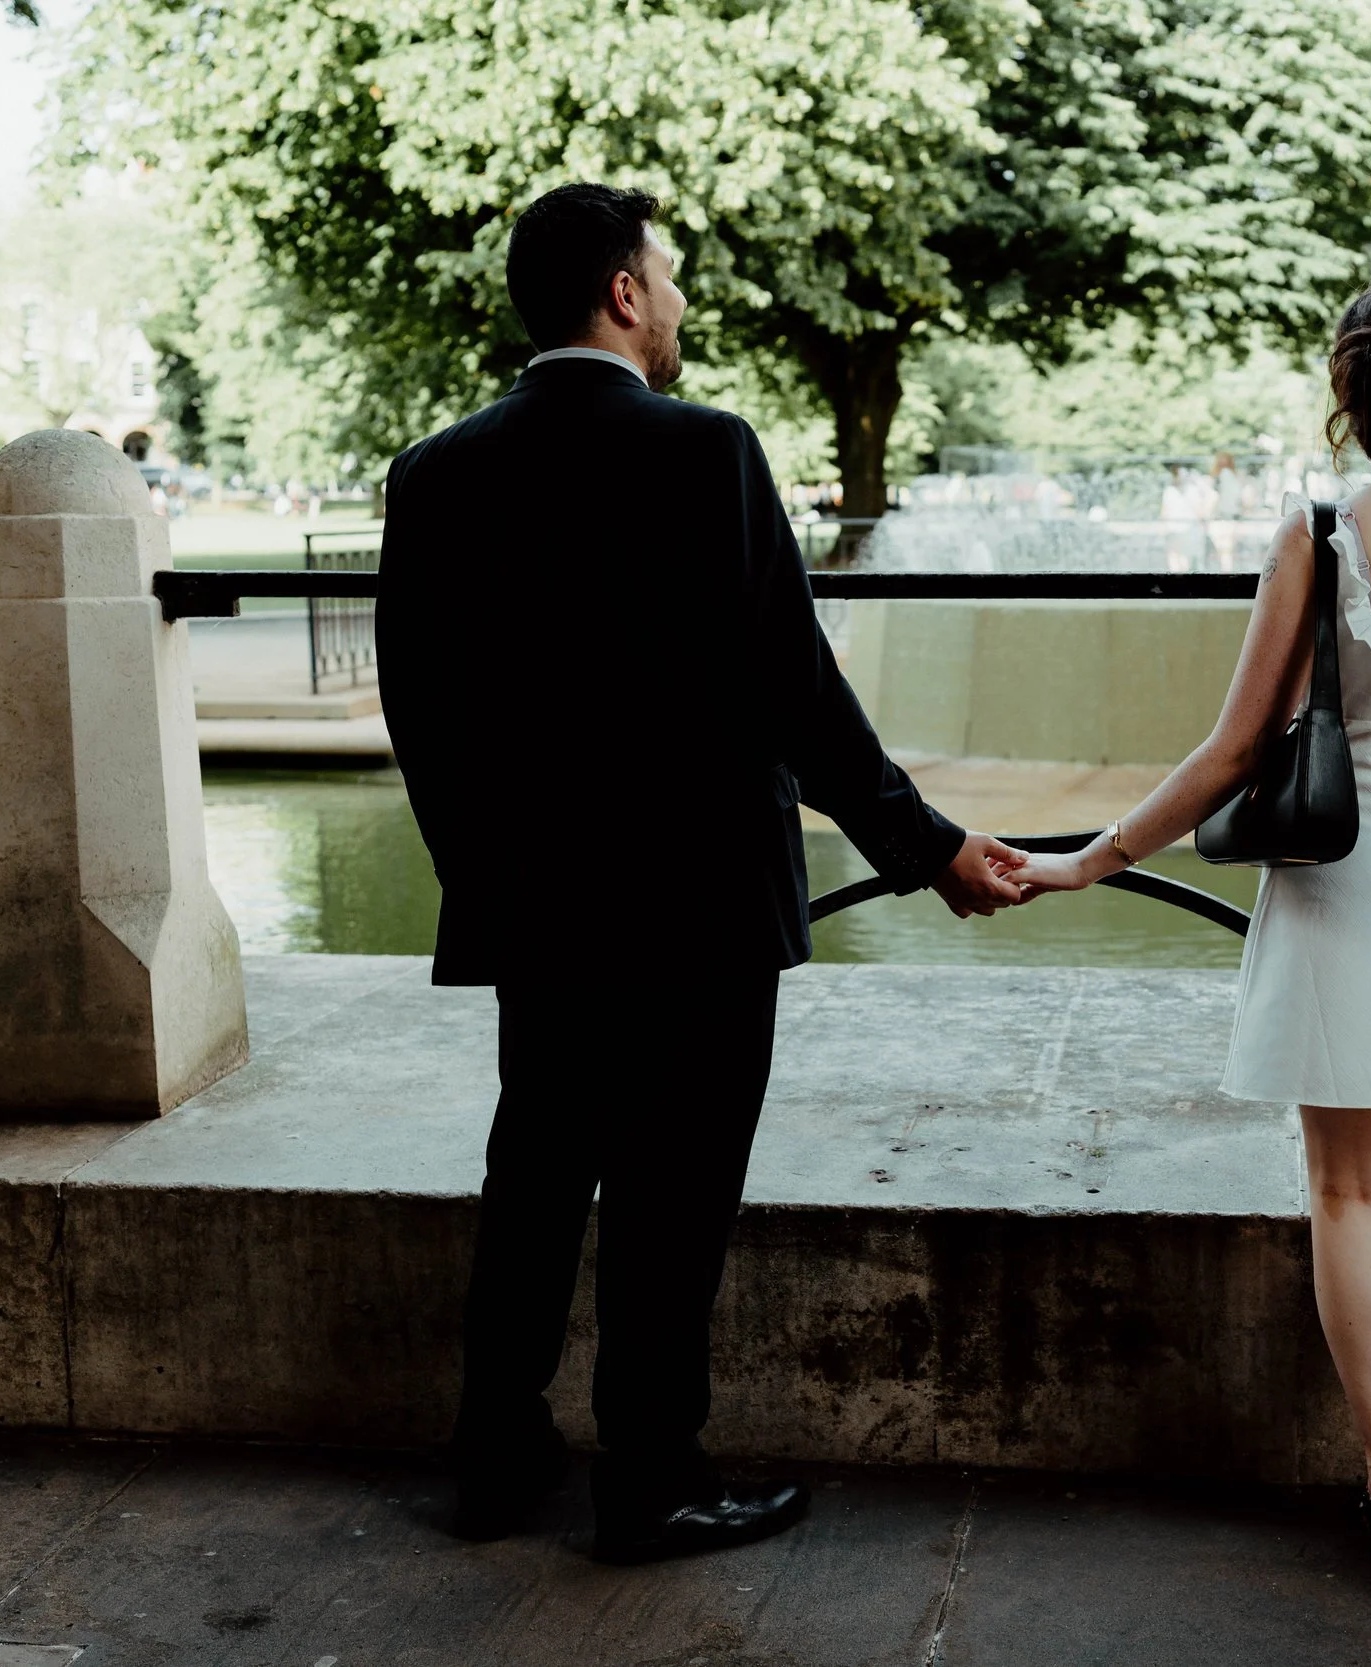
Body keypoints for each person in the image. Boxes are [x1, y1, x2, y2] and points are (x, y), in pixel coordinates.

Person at [375, 183, 1027, 1565]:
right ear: (621, 293)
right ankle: (649, 1481)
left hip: (538, 908)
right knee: (670, 1203)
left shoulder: (437, 473)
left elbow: (419, 712)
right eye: (663, 279)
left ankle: (493, 1457)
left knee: (535, 1175)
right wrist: (931, 851)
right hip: (700, 913)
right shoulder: (708, 452)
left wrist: (485, 874)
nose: (675, 304)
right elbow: (800, 693)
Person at [1009, 277, 1371, 1621]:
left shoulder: (1323, 533)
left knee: (1350, 1192)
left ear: (1351, 389)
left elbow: (1233, 751)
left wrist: (1086, 858)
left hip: (1350, 885)